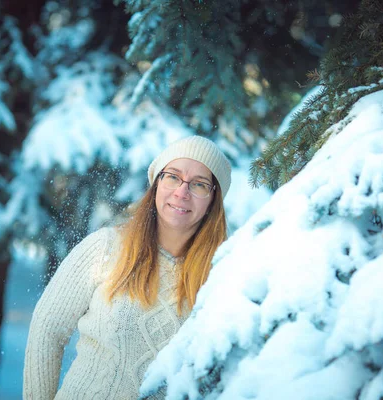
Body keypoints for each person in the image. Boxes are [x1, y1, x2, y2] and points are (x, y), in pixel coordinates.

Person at [23, 135, 232, 399]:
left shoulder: (222, 276)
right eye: (173, 177)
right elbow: (48, 329)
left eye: (200, 184)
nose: (182, 191)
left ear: (214, 200)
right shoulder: (105, 247)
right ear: (156, 183)